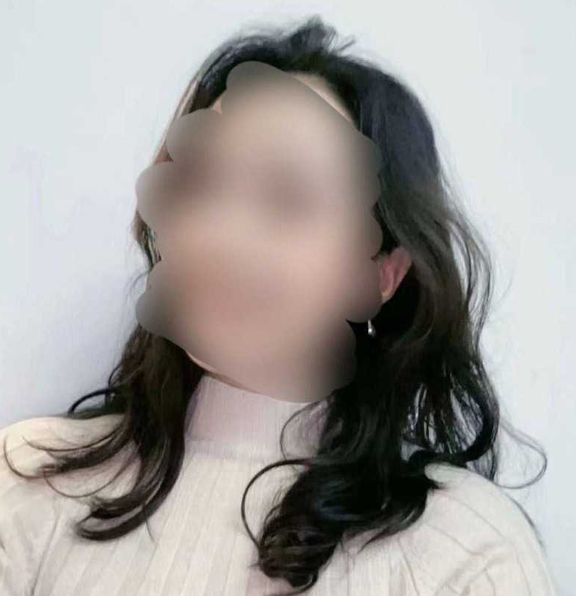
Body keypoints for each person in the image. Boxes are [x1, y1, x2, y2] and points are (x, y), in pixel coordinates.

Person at [0, 15, 559, 596]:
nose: (223, 236)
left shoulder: (467, 554)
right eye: (202, 184)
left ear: (381, 275)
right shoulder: (28, 485)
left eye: (288, 198)